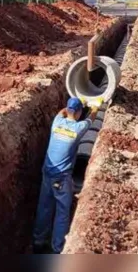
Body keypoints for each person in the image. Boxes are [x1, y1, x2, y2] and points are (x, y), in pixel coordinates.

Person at [32, 96, 100, 254]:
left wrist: (76, 103)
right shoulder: (78, 128)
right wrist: (95, 107)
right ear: (78, 112)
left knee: (44, 207)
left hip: (47, 172)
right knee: (62, 211)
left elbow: (61, 112)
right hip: (62, 177)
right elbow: (92, 118)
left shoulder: (56, 122)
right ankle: (58, 247)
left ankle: (38, 241)